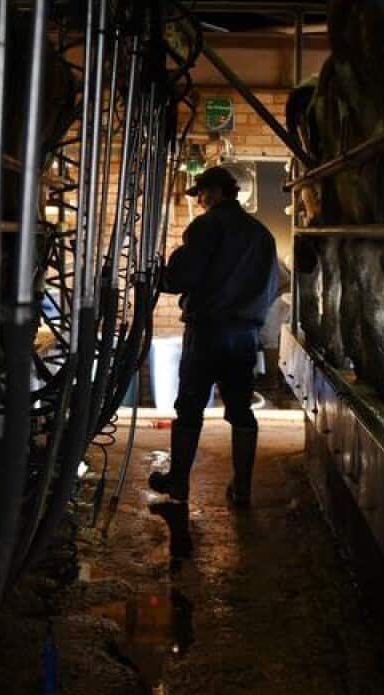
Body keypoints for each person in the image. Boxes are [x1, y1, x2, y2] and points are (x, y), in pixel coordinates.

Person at [149, 166, 279, 508]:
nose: (201, 201)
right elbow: (275, 284)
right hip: (245, 336)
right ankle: (243, 488)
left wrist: (155, 277)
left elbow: (179, 277)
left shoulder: (206, 226)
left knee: (190, 409)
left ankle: (178, 485)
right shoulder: (262, 235)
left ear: (218, 191)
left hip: (207, 332)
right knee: (241, 411)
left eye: (202, 194)